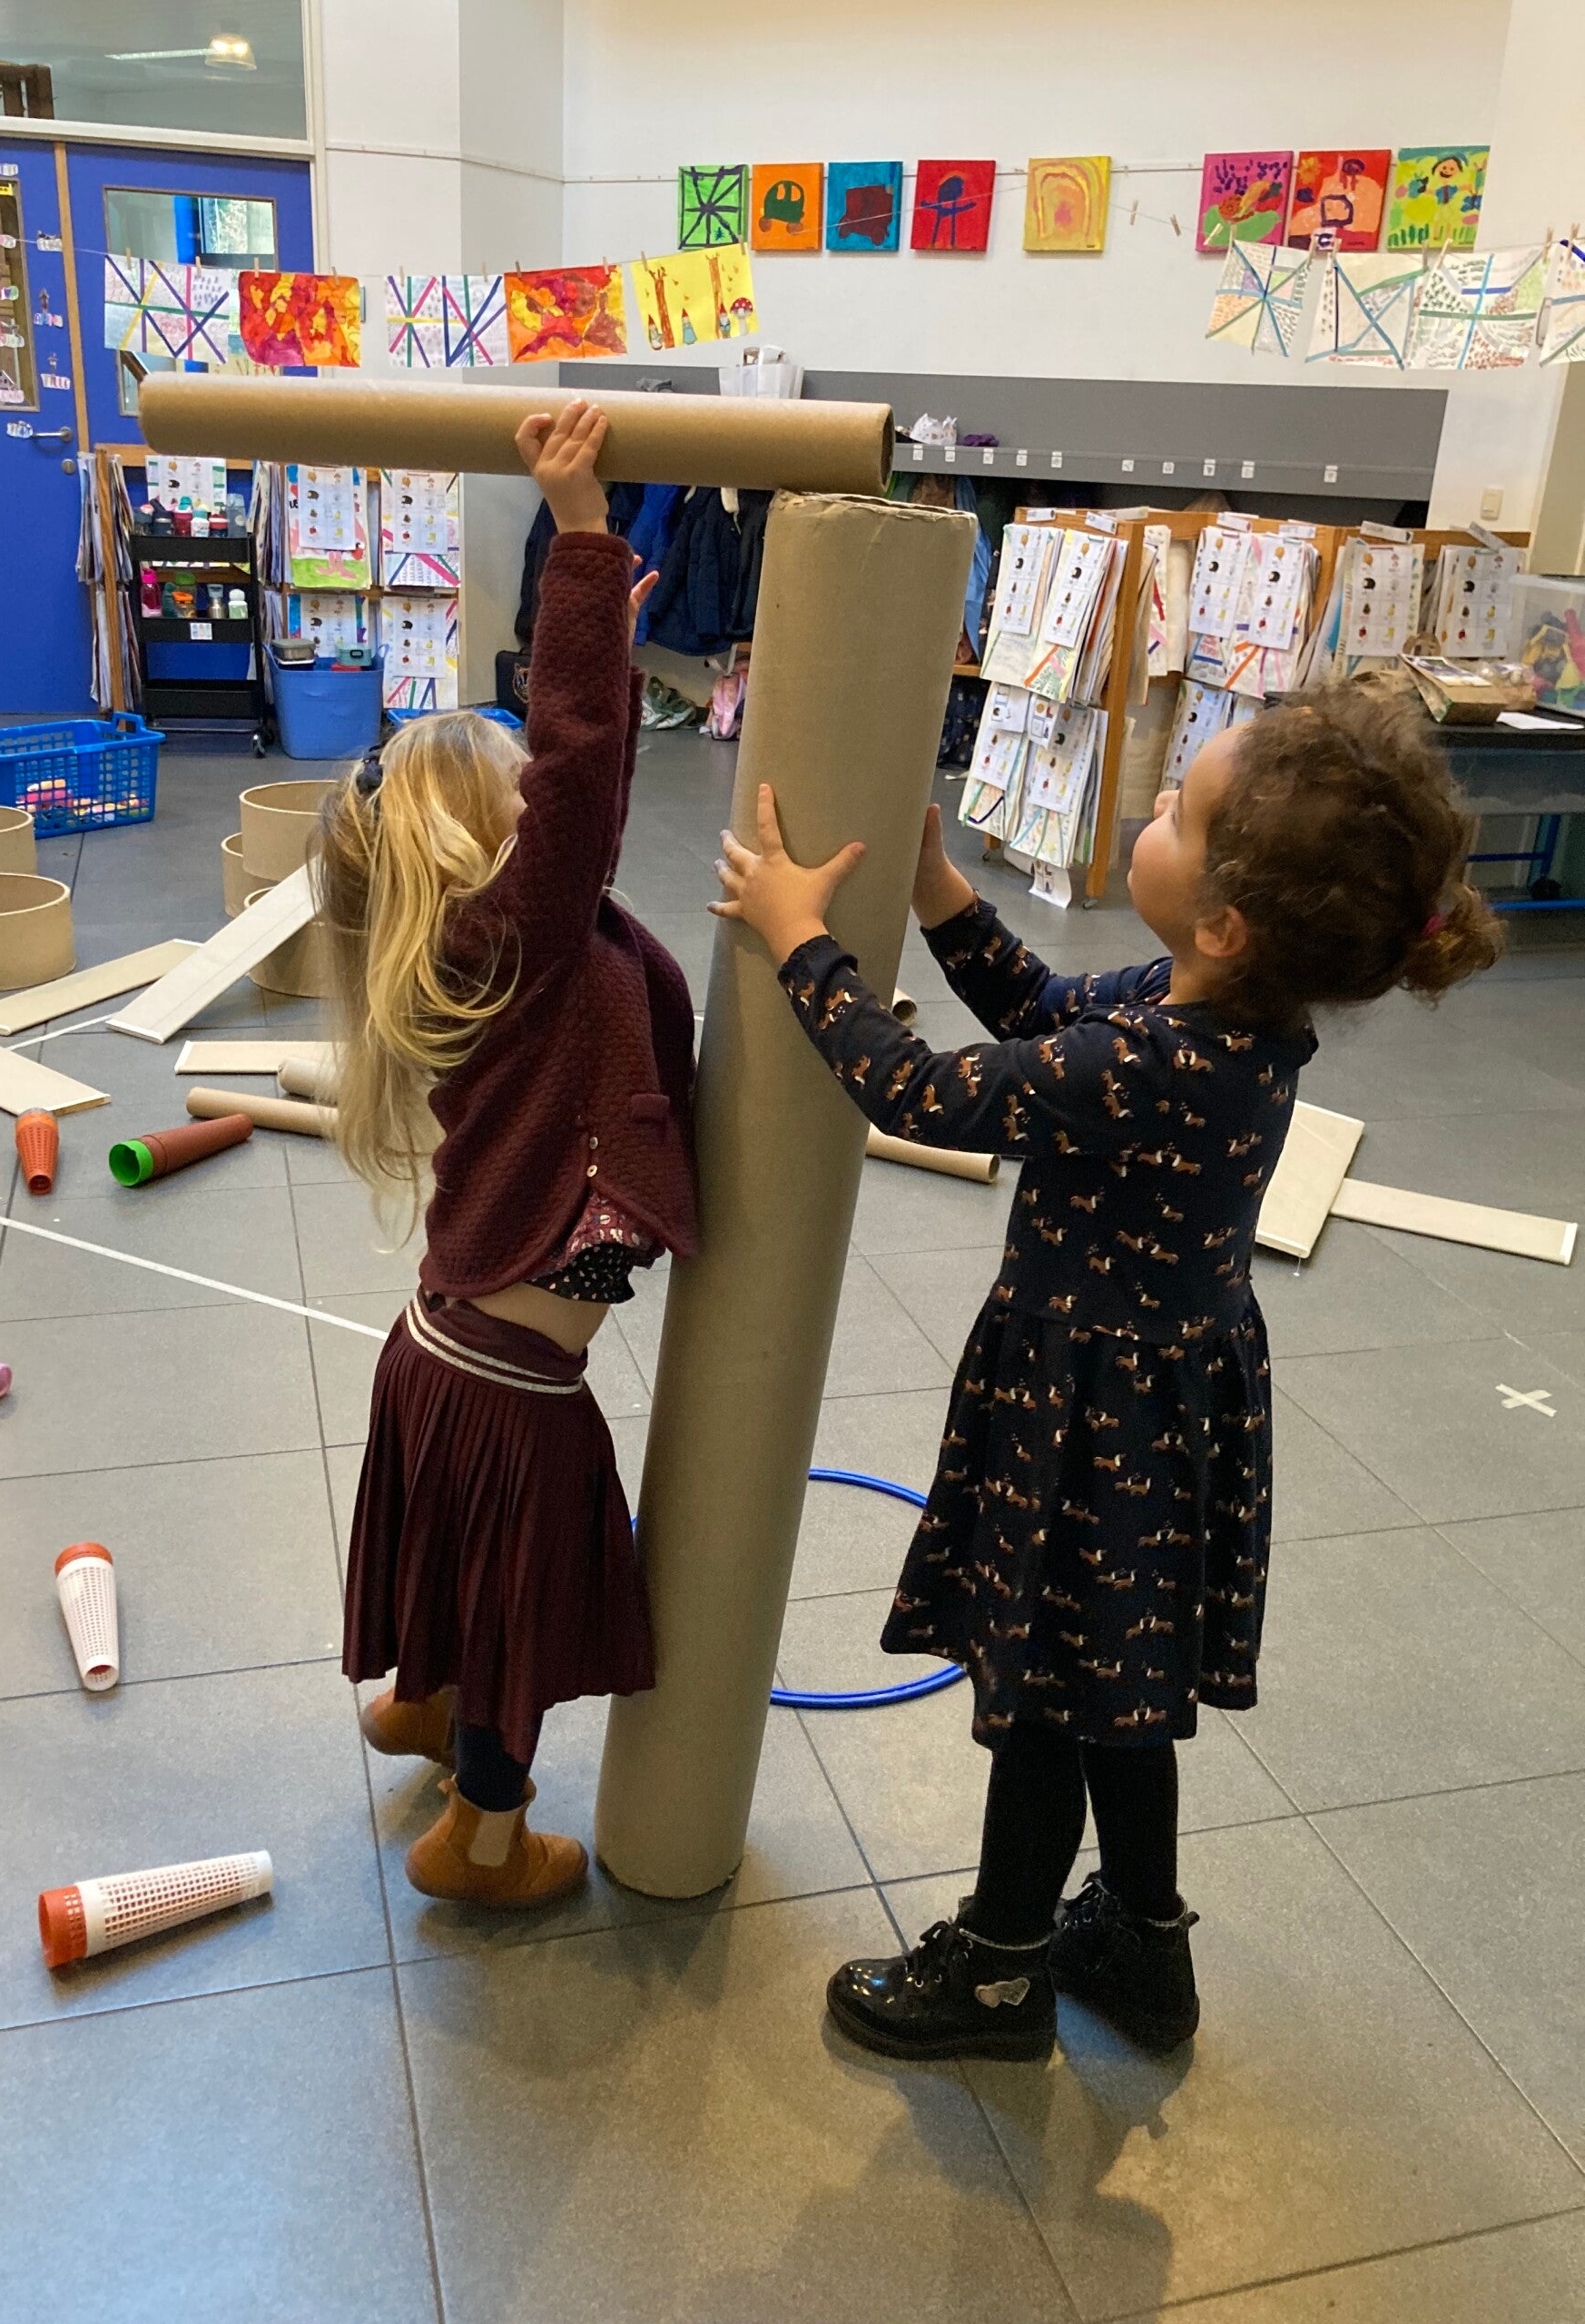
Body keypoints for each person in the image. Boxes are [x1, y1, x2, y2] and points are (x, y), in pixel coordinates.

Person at [712, 684, 1501, 2059]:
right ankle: (1143, 1946)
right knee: (1124, 1702)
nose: (1154, 807)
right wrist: (941, 892)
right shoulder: (1219, 1017)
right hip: (1164, 1414)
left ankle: (1001, 1973)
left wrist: (800, 941)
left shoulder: (1154, 1061)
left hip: (1092, 1427)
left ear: (1225, 922)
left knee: (1044, 1706)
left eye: (1179, 812)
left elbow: (922, 1092)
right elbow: (1040, 1006)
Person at [321, 401, 698, 1910]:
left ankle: (418, 1700)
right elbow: (582, 776)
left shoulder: (483, 950)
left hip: (445, 1350)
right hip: (513, 1388)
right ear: (481, 844)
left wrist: (609, 635)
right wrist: (582, 541)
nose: (536, 775)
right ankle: (482, 1838)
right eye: (511, 771)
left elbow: (584, 791)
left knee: (452, 1558)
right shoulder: (515, 937)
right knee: (517, 1600)